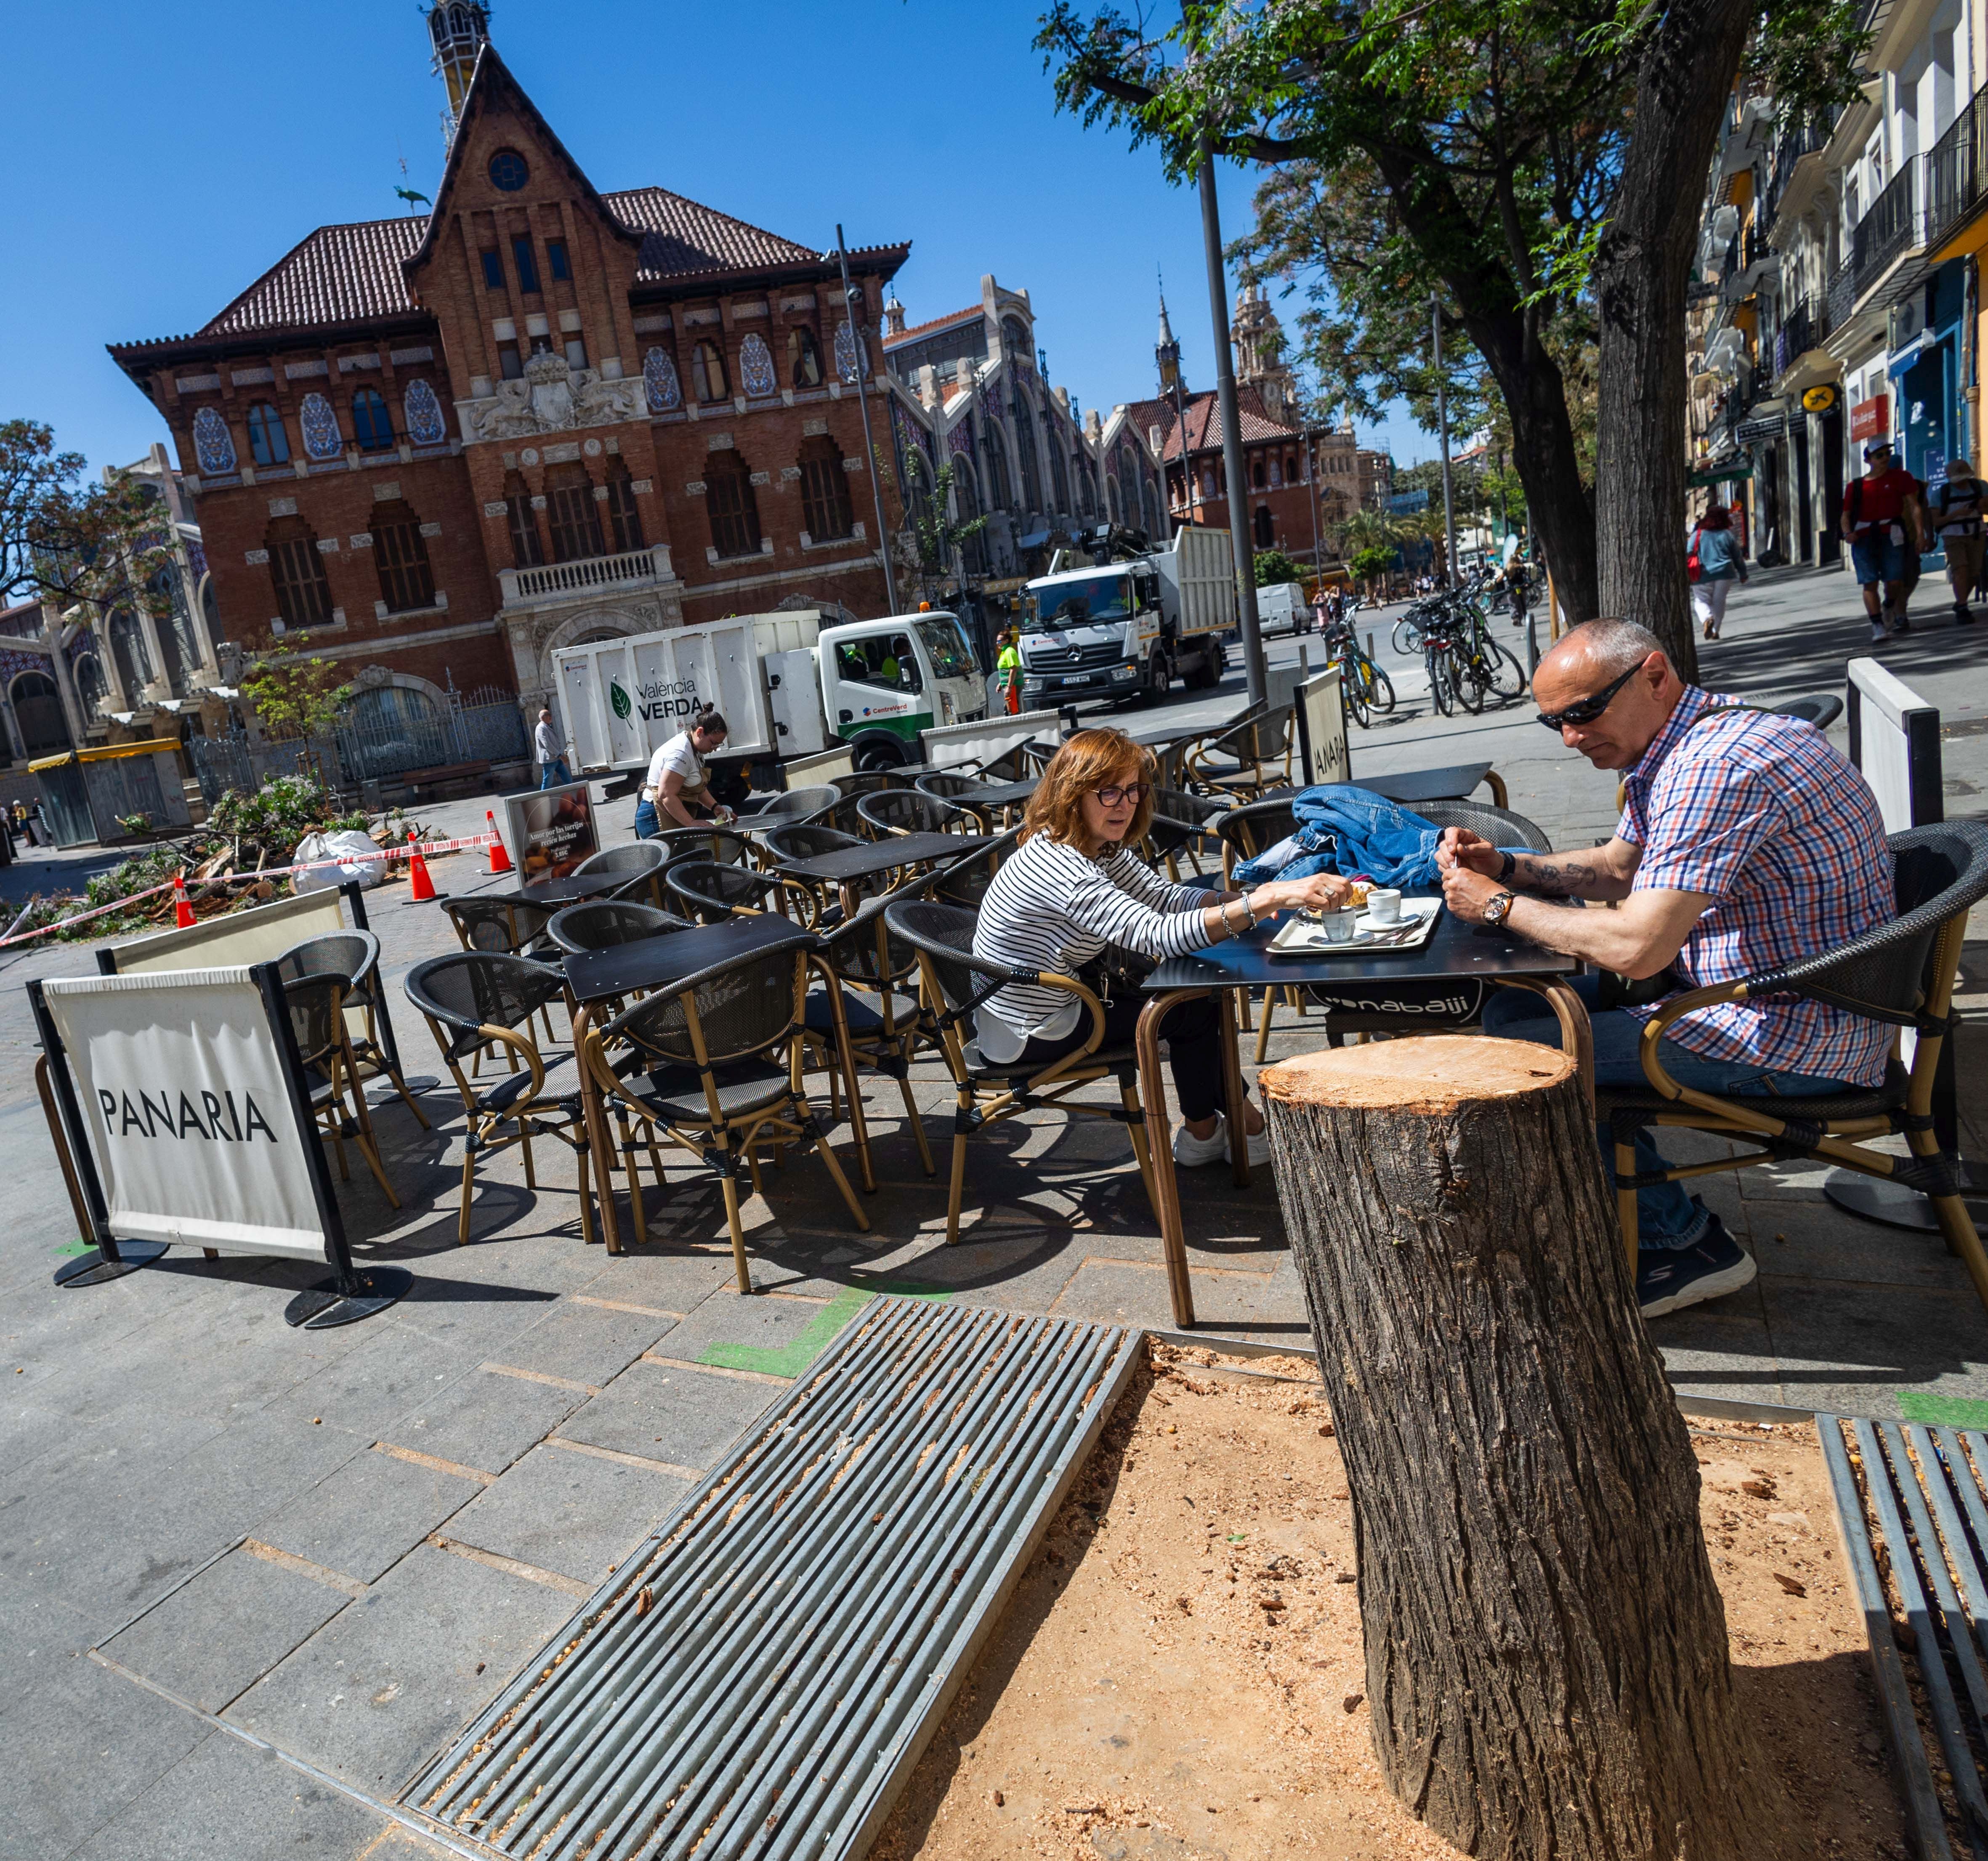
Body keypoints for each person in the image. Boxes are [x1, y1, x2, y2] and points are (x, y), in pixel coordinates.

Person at [1435, 618, 1895, 1319]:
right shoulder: (1689, 740)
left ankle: (1678, 1244)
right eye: (1552, 722)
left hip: (1794, 1033)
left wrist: (1497, 905)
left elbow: (1636, 947)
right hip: (1792, 1000)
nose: (1569, 737)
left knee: (1527, 1048)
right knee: (1511, 1011)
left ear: (1652, 676)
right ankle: (1614, 1196)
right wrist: (1505, 866)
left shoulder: (1710, 768)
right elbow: (1619, 869)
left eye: (1582, 712)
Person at [973, 727, 1347, 1166]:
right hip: (1030, 1030)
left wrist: (1240, 902)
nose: (1126, 804)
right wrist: (1265, 900)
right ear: (1071, 793)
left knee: (1193, 1005)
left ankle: (1207, 1135)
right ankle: (1236, 1127)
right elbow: (1156, 934)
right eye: (1109, 792)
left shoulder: (1092, 845)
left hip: (1059, 998)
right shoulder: (1065, 869)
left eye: (1133, 790)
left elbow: (1164, 897)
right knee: (1188, 1012)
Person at [1842, 437, 1926, 643]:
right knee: (1869, 582)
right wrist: (1847, 533)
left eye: (1888, 454)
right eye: (1880, 455)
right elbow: (1845, 514)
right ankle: (1877, 624)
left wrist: (1920, 534)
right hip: (1863, 537)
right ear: (1869, 460)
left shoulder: (1902, 478)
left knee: (1895, 579)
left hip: (1893, 534)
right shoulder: (1856, 486)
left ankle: (1889, 604)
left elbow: (1915, 507)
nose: (1885, 458)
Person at [633, 708, 734, 838]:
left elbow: (696, 788)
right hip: (655, 817)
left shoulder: (695, 750)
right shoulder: (680, 754)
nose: (714, 749)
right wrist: (691, 823)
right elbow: (666, 794)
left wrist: (715, 807)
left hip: (669, 812)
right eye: (713, 744)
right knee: (683, 858)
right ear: (700, 732)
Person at [1930, 456, 1985, 626]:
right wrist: (1957, 514)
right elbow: (1936, 521)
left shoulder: (1980, 487)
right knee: (1960, 569)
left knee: (1974, 572)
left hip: (1977, 532)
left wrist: (1980, 507)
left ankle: (1961, 601)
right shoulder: (1941, 494)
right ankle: (1962, 607)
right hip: (1952, 534)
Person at [1687, 503, 1748, 641]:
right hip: (1725, 573)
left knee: (1701, 600)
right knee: (1719, 602)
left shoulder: (1697, 535)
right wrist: (1743, 574)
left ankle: (1707, 618)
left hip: (1702, 574)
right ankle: (1715, 631)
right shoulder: (1727, 535)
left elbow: (1689, 553)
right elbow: (1737, 556)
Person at [534, 707, 570, 790]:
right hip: (550, 760)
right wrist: (560, 755)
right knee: (547, 782)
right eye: (548, 715)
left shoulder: (547, 726)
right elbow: (547, 744)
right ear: (543, 718)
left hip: (556, 759)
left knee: (567, 779)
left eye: (550, 714)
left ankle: (573, 795)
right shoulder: (541, 728)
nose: (551, 717)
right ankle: (543, 798)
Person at [996, 628, 1023, 715]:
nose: (998, 643)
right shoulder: (1004, 652)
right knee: (1009, 708)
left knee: (1012, 710)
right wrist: (1001, 683)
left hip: (1013, 685)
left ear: (1006, 641)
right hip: (1010, 685)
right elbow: (1005, 671)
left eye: (999, 641)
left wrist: (1009, 687)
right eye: (997, 641)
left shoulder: (1010, 652)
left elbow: (1013, 669)